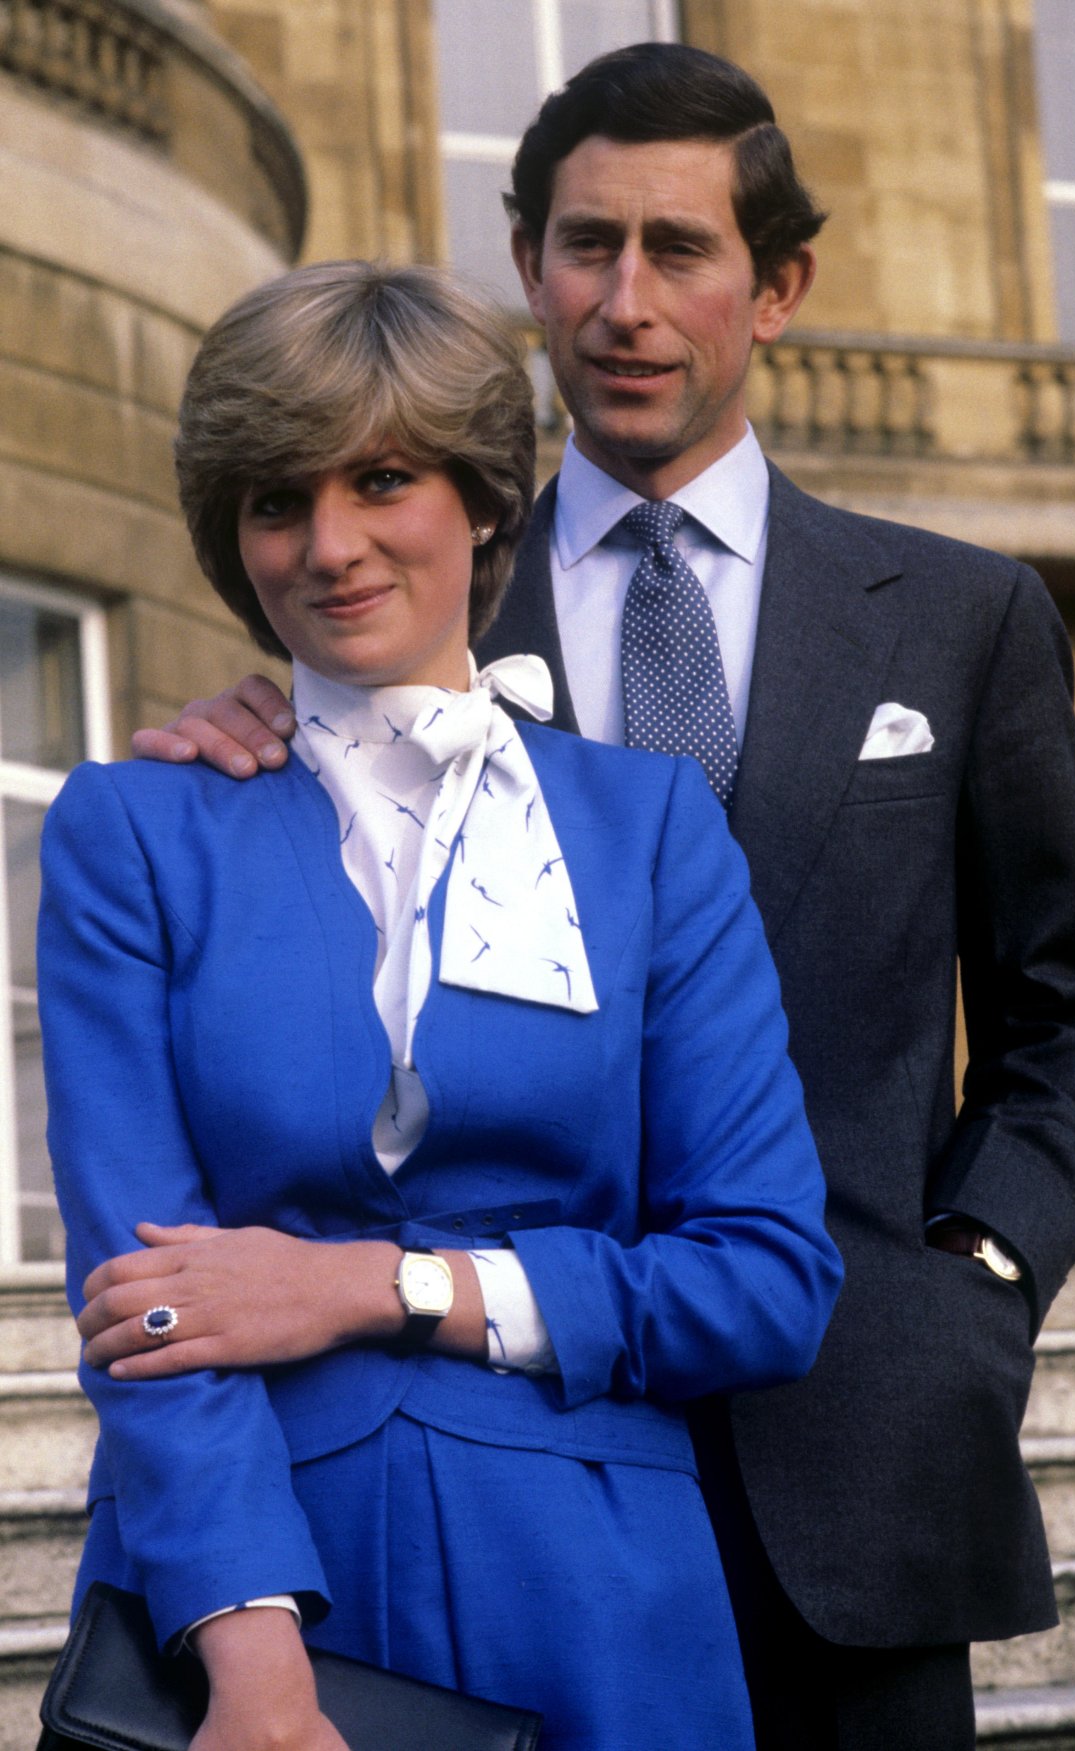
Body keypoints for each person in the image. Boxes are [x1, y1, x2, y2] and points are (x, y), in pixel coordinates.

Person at [129, 44, 1075, 1751]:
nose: (625, 300)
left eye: (679, 249)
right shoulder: (391, 589)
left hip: (866, 1453)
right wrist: (262, 731)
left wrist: (968, 1279)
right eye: (583, 244)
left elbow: (1073, 1022)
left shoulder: (962, 621)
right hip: (509, 1475)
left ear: (779, 284)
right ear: (527, 265)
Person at [38, 259, 843, 1751]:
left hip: (600, 1598)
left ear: (480, 500)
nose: (330, 546)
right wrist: (258, 1671)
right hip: (253, 1594)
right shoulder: (135, 829)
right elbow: (142, 1299)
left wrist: (373, 1285)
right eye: (279, 503)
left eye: (384, 481)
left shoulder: (649, 830)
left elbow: (766, 1277)